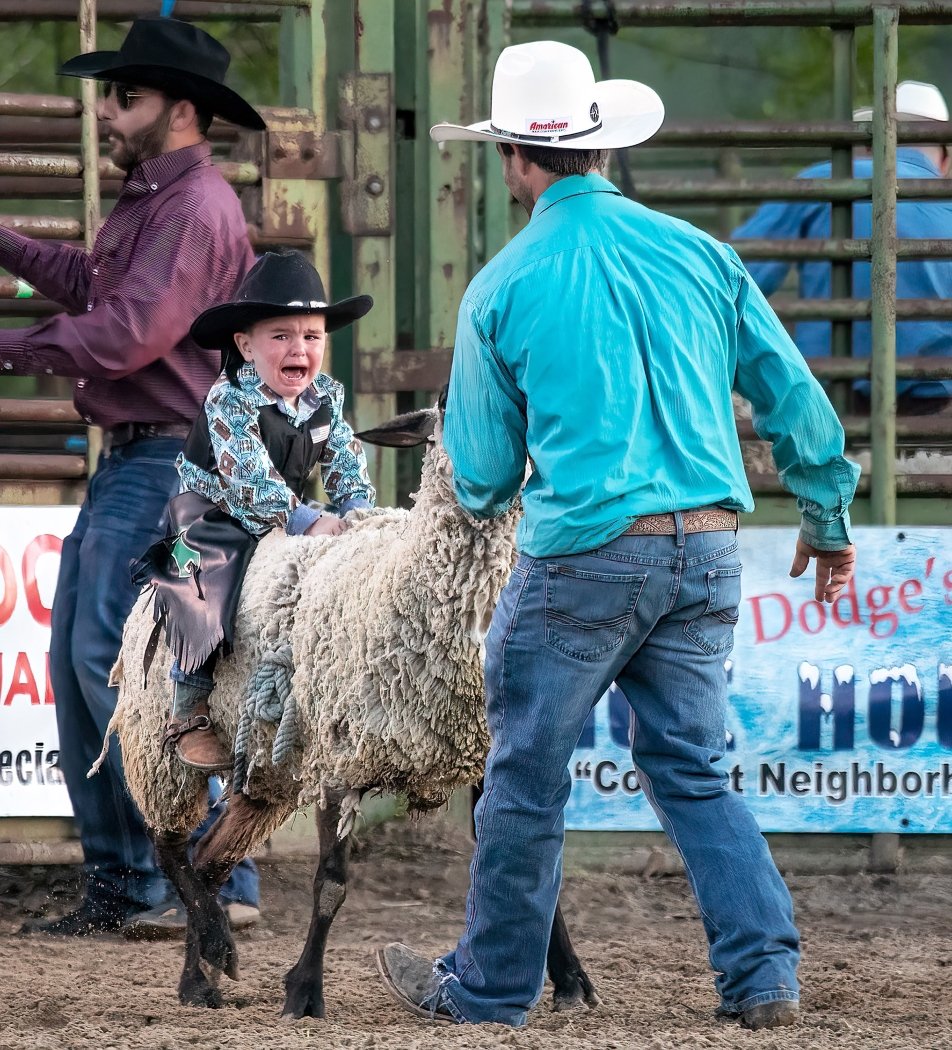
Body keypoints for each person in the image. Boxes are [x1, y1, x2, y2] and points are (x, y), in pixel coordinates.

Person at [375, 40, 859, 1031]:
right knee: (692, 764)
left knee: (524, 770)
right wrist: (826, 515)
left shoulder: (502, 287)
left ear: (513, 158)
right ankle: (762, 973)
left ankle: (491, 985)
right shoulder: (699, 253)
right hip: (708, 545)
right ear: (596, 145)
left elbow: (478, 475)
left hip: (587, 553)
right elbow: (792, 395)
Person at [1, 16, 265, 936]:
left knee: (111, 659)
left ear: (181, 112)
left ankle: (190, 873)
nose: (108, 113)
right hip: (148, 460)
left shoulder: (190, 210)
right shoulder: (164, 204)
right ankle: (147, 878)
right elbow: (101, 291)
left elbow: (128, 333)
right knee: (94, 661)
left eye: (127, 97)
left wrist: (9, 345)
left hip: (165, 457)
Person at [134, 249, 375, 771]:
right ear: (245, 345)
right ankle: (188, 700)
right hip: (213, 512)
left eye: (311, 337)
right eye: (281, 336)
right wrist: (306, 519)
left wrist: (356, 511)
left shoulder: (325, 397)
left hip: (283, 512)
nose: (299, 349)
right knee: (205, 575)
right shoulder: (228, 399)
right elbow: (247, 474)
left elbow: (346, 459)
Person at [732, 79, 952, 414]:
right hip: (933, 405)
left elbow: (732, 275)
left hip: (826, 400)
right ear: (946, 157)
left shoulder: (822, 179)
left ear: (868, 140)